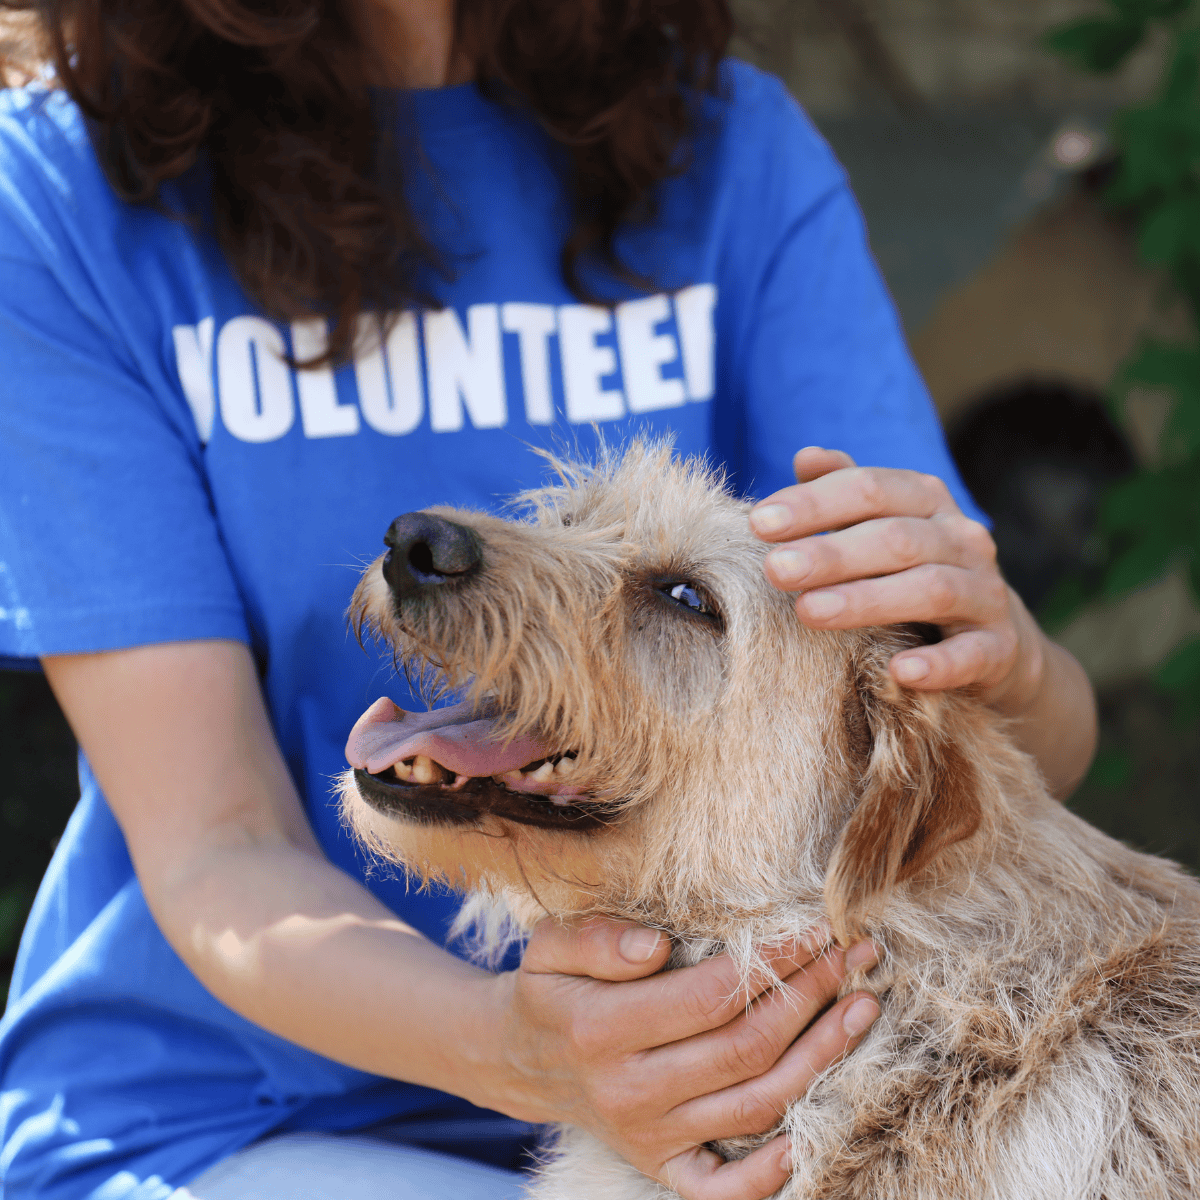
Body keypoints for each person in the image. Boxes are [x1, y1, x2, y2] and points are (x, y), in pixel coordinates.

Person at [0, 1, 1098, 1197]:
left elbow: (968, 752)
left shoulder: (727, 146)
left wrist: (1013, 662)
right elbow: (219, 841)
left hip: (744, 1100)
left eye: (674, 594)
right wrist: (524, 1056)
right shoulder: (61, 189)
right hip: (232, 1120)